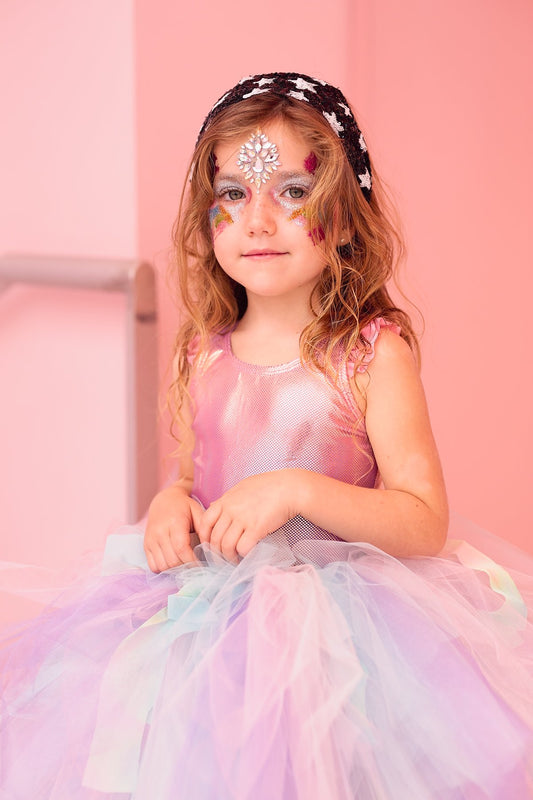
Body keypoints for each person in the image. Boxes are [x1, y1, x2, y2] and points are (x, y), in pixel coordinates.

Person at [1, 72, 532, 800]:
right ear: (206, 215)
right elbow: (192, 479)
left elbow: (423, 520)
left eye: (292, 192)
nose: (257, 221)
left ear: (345, 217)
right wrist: (170, 505)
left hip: (343, 645)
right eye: (233, 193)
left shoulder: (369, 354)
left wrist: (297, 489)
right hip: (209, 633)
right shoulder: (204, 352)